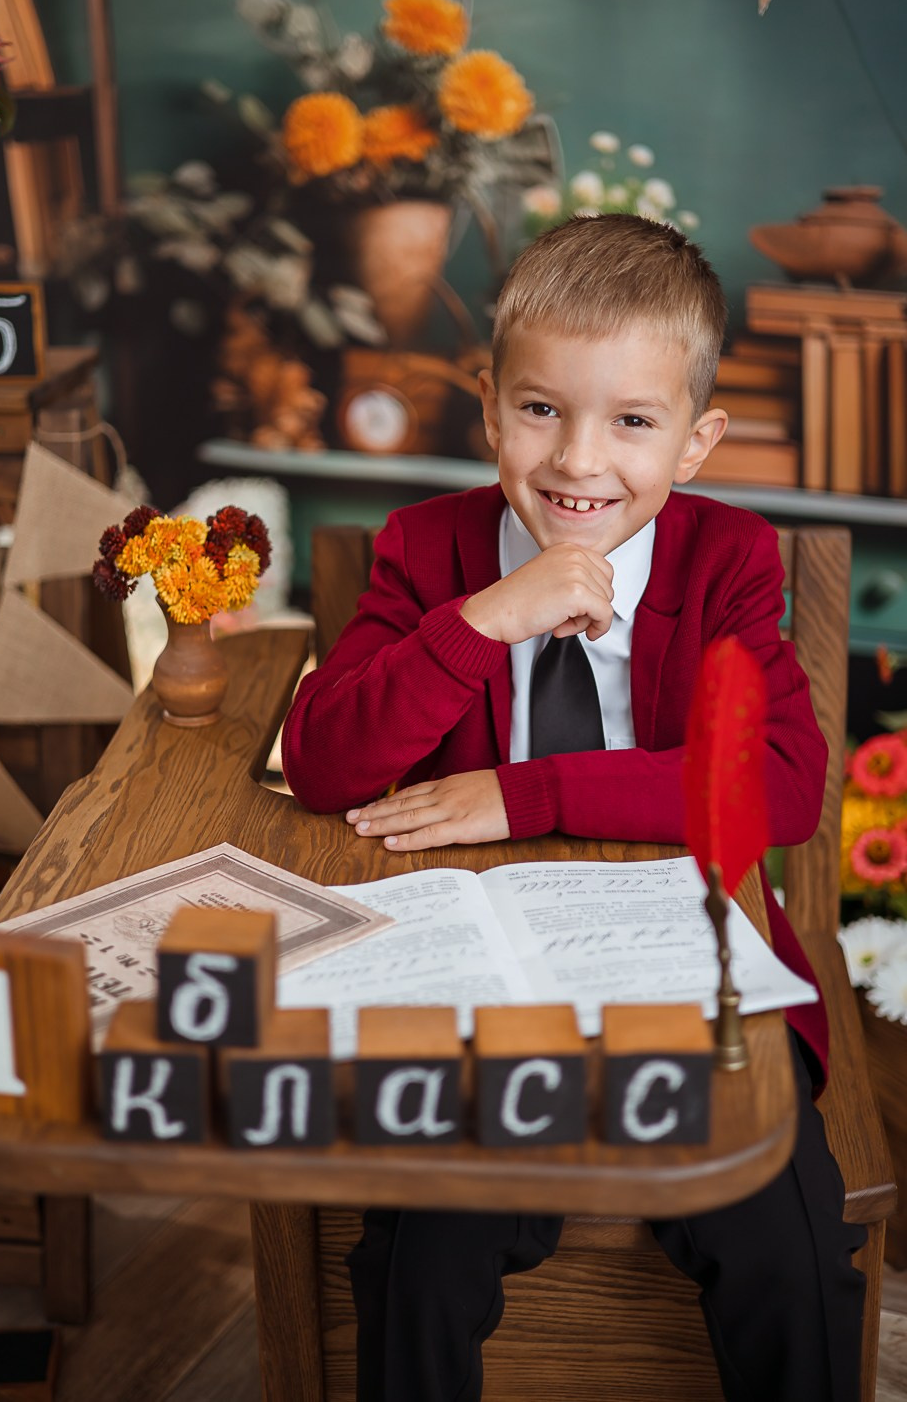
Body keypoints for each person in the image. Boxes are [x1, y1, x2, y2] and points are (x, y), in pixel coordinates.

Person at [281, 214, 865, 1402]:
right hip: (479, 1002)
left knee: (786, 1243)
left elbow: (781, 784)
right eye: (541, 409)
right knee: (421, 1255)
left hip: (694, 985)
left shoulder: (728, 562)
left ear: (694, 442)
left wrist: (522, 793)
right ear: (487, 403)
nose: (578, 462)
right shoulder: (424, 549)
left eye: (632, 421)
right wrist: (485, 617)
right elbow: (329, 759)